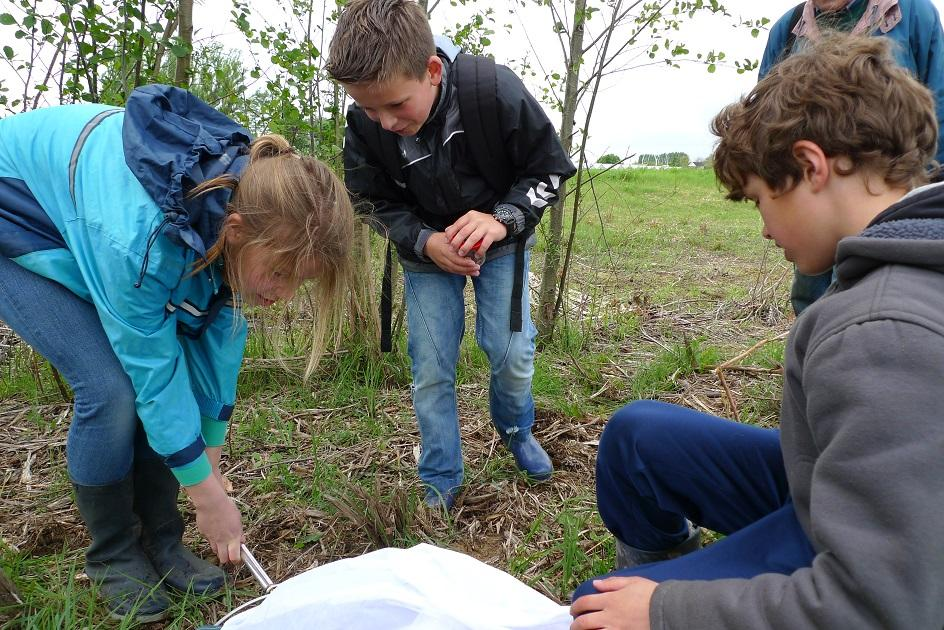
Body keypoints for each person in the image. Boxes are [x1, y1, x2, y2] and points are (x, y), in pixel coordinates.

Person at [569, 34, 944, 629]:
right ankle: (673, 568)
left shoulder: (884, 328)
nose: (766, 230)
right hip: (841, 495)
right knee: (636, 436)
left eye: (759, 199)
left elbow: (888, 604)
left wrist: (667, 611)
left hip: (866, 562)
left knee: (595, 609)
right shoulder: (903, 248)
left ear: (810, 166)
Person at [0, 85, 354, 622]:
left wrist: (207, 464)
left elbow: (218, 354)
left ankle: (163, 540)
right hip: (20, 218)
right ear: (234, 234)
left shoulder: (240, 214)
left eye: (297, 283)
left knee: (168, 397)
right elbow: (154, 374)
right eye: (279, 273)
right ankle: (115, 553)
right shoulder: (141, 240)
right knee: (111, 387)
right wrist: (209, 497)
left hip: (87, 223)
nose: (281, 293)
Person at [325, 0, 576, 510]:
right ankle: (440, 471)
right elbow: (369, 201)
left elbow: (549, 170)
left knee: (511, 353)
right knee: (432, 365)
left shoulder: (492, 90)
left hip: (500, 243)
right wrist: (424, 241)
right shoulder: (366, 122)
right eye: (370, 109)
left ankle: (515, 428)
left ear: (433, 71)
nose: (385, 121)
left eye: (396, 105)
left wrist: (500, 218)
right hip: (424, 254)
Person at [760, 0, 944, 315]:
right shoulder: (788, 28)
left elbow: (938, 110)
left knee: (887, 305)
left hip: (895, 212)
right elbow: (763, 122)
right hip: (815, 209)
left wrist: (919, 201)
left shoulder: (914, 13)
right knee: (814, 304)